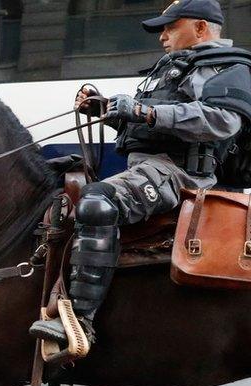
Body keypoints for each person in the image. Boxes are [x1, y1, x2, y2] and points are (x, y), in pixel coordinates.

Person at [30, 0, 251, 355]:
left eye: (170, 27)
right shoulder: (173, 67)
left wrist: (144, 110)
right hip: (148, 167)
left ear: (200, 27)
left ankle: (79, 322)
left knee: (98, 203)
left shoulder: (226, 66)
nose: (162, 36)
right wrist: (108, 110)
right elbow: (151, 124)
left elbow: (223, 121)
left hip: (179, 173)